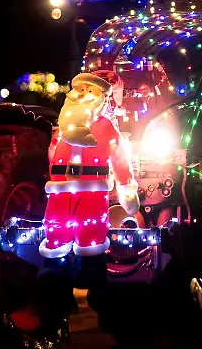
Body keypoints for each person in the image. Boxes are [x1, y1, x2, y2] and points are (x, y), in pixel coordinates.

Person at [39, 70, 140, 258]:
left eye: (89, 91)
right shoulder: (62, 129)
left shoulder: (106, 127)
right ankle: (54, 268)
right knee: (56, 229)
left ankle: (88, 269)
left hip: (92, 190)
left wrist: (126, 189)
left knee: (90, 231)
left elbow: (119, 157)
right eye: (80, 90)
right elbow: (52, 154)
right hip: (60, 190)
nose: (82, 95)